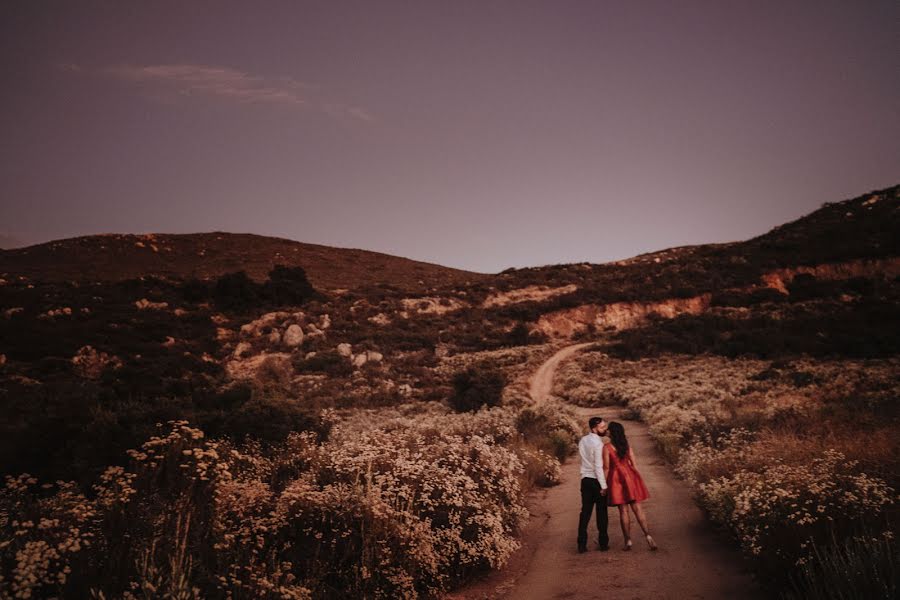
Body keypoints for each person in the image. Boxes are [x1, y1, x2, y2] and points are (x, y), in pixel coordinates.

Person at [603, 421, 658, 551]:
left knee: (623, 511)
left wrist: (604, 485)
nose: (607, 431)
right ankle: (648, 536)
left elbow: (606, 467)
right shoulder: (626, 446)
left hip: (616, 479)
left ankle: (628, 541)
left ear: (613, 432)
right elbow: (634, 464)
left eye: (609, 429)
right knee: (638, 509)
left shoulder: (607, 447)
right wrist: (635, 479)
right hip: (630, 477)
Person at [576, 416, 609, 553]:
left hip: (585, 480)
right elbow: (598, 466)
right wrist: (603, 485)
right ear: (594, 427)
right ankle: (603, 544)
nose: (605, 430)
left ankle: (581, 544)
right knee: (601, 513)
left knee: (585, 513)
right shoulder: (598, 444)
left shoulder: (583, 440)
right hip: (596, 480)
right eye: (602, 427)